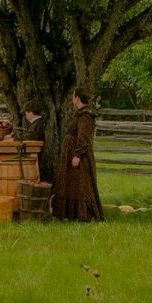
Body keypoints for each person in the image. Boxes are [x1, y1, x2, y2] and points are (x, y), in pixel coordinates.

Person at [52, 88, 104, 222]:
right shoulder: (80, 114)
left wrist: (78, 155)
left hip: (80, 156)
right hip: (71, 153)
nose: (72, 99)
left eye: (73, 97)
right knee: (72, 184)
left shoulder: (86, 116)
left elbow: (84, 137)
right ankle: (71, 213)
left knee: (82, 185)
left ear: (77, 98)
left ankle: (86, 214)